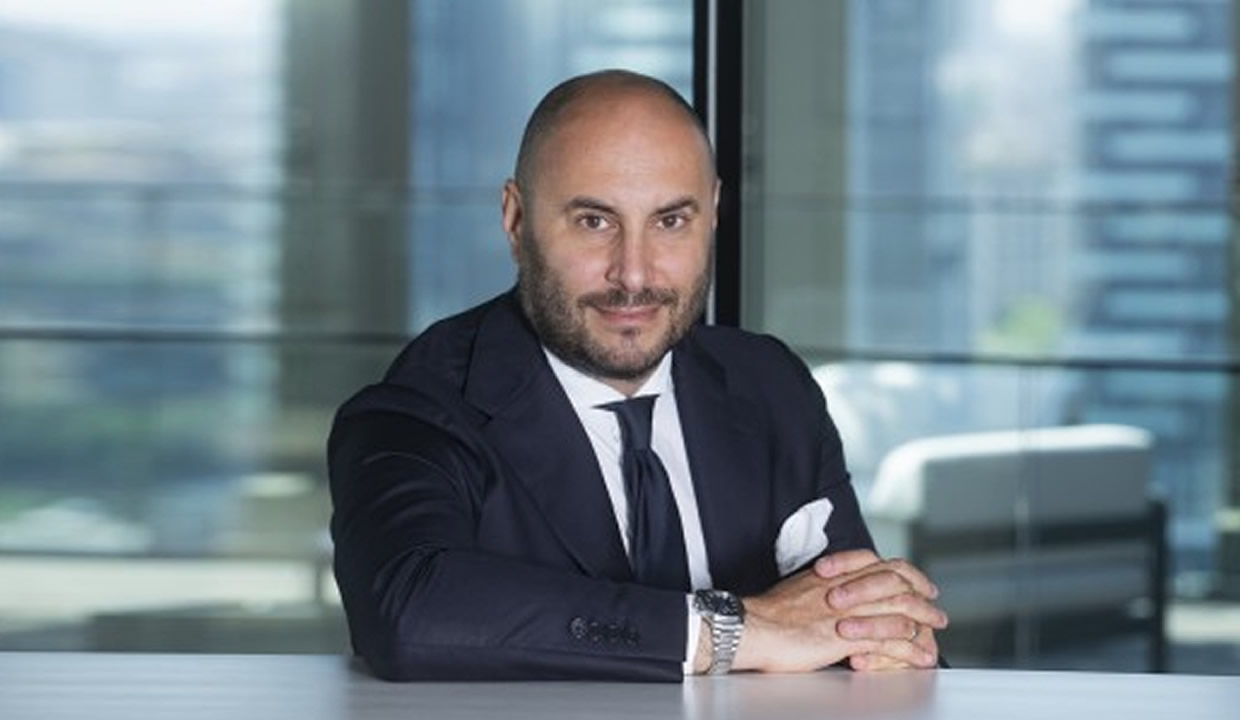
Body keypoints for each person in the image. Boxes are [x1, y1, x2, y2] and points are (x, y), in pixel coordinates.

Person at [327, 69, 947, 682]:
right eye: (593, 221)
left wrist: (886, 641)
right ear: (516, 221)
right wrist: (731, 630)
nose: (633, 274)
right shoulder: (417, 408)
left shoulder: (770, 386)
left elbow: (861, 626)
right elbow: (409, 614)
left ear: (713, 214)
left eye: (670, 221)